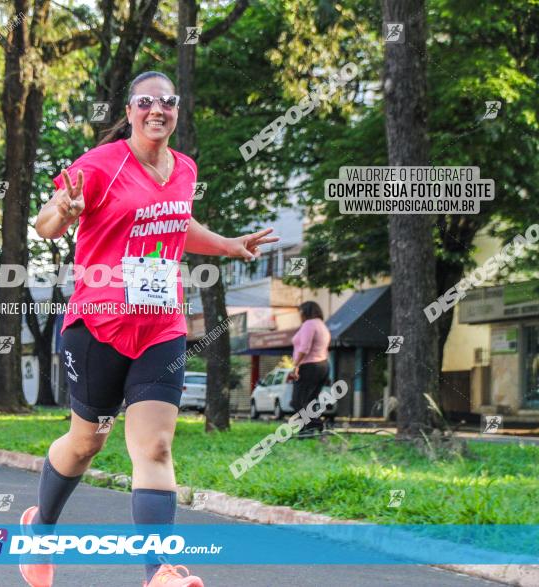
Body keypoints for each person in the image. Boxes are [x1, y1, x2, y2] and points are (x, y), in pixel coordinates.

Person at [25, 70, 279, 587]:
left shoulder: (184, 168)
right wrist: (64, 214)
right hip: (97, 325)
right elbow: (45, 220)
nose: (157, 110)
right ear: (131, 109)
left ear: (178, 109)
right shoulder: (101, 164)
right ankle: (41, 529)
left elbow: (178, 222)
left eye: (167, 101)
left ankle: (158, 572)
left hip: (161, 326)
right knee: (86, 442)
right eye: (146, 102)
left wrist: (229, 245)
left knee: (156, 448)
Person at [290, 301, 331, 437]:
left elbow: (304, 348)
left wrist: (295, 366)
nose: (299, 315)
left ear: (306, 312)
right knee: (310, 401)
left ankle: (317, 425)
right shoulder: (322, 325)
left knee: (297, 401)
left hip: (309, 366)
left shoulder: (309, 324)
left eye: (301, 312)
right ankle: (306, 431)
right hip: (323, 365)